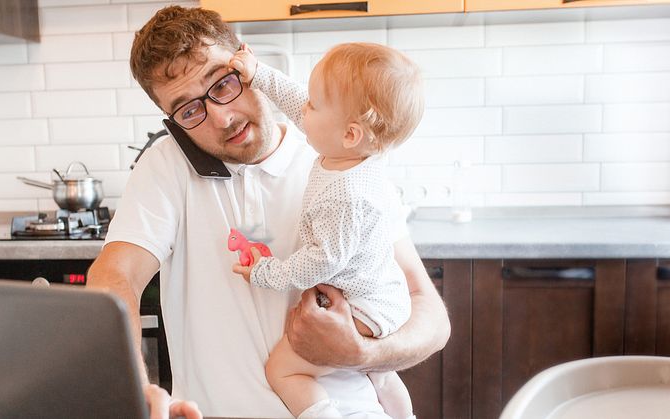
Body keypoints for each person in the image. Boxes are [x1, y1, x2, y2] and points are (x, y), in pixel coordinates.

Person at [85, 5, 451, 419]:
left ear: (246, 61)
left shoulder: (341, 159)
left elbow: (430, 315)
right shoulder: (167, 165)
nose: (222, 117)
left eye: (223, 83)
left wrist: (362, 351)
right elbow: (115, 276)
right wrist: (134, 391)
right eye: (189, 110)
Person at [229, 43, 422, 419]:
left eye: (314, 104)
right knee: (380, 376)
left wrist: (266, 272)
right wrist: (259, 74)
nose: (304, 109)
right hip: (384, 295)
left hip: (366, 307)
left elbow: (323, 262)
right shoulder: (348, 152)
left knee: (283, 370)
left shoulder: (345, 196)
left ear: (350, 133)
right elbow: (296, 99)